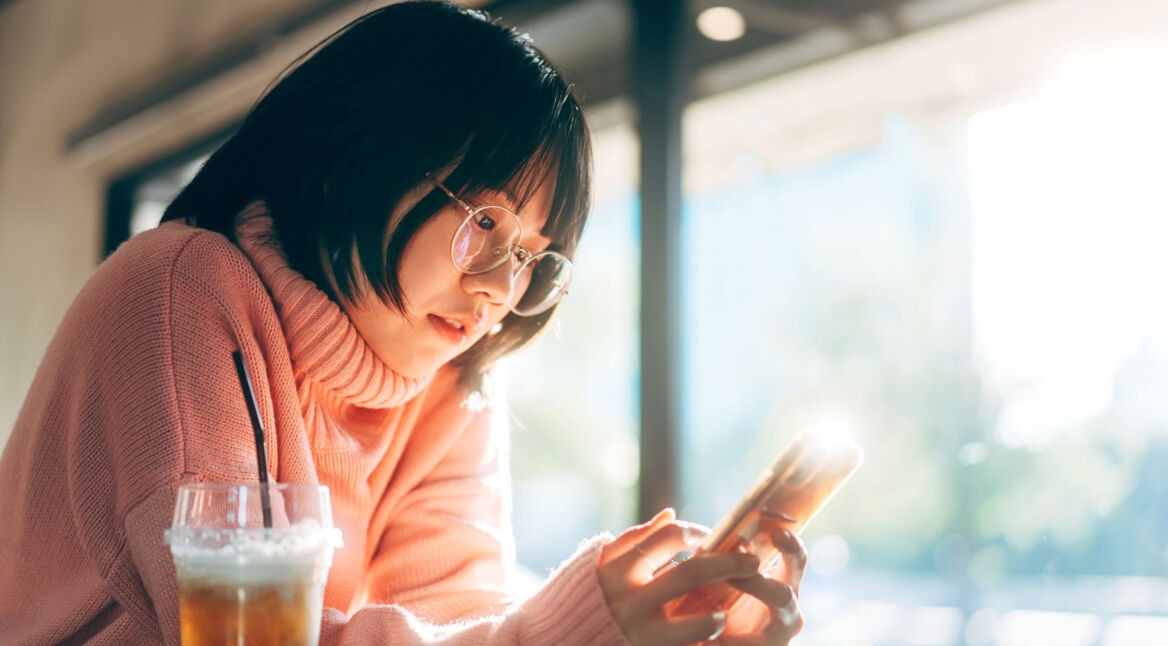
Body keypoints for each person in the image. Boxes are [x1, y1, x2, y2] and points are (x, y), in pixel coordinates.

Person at [0, 1, 807, 644]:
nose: (498, 288)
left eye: (532, 256)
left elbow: (460, 627)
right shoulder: (183, 289)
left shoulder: (452, 385)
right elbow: (249, 639)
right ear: (364, 156)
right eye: (486, 223)